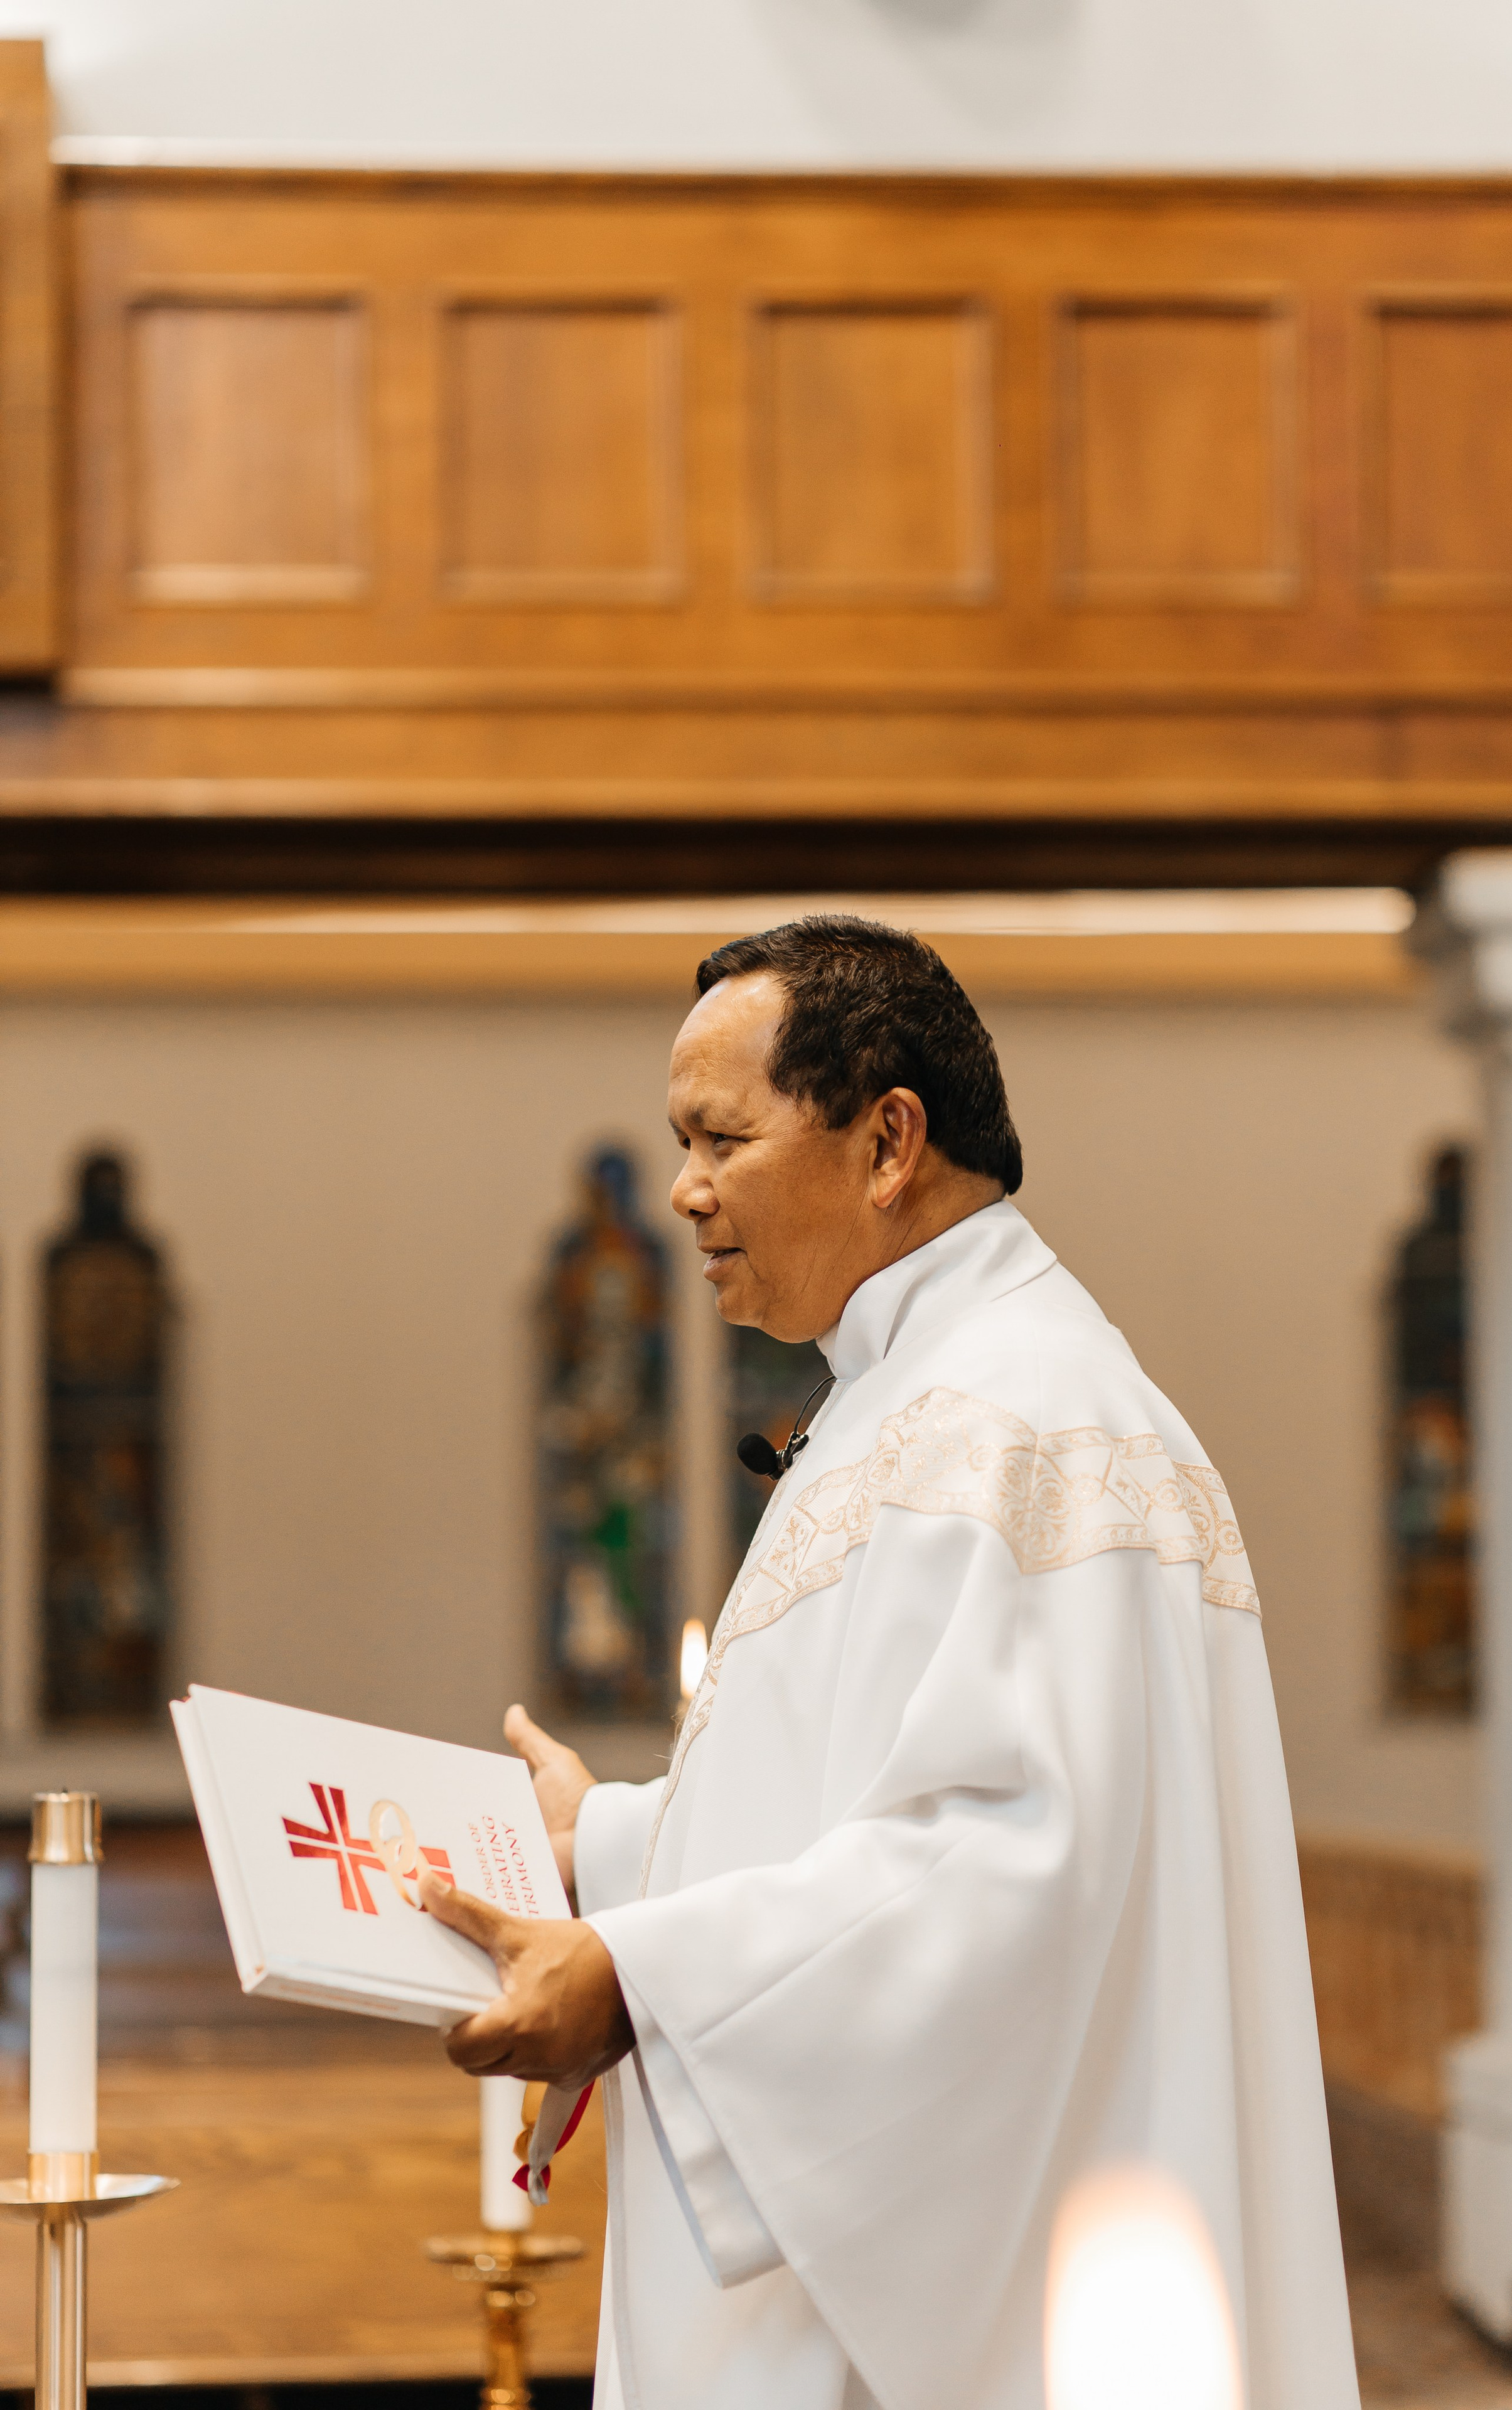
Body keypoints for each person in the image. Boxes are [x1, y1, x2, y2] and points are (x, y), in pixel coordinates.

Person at [422, 915, 1361, 2410]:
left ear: (886, 1141)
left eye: (720, 1139)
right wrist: (602, 1839)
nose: (684, 1190)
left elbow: (1004, 1874)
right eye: (681, 1146)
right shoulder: (913, 1399)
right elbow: (859, 1810)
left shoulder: (1020, 1418)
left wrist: (638, 1977)